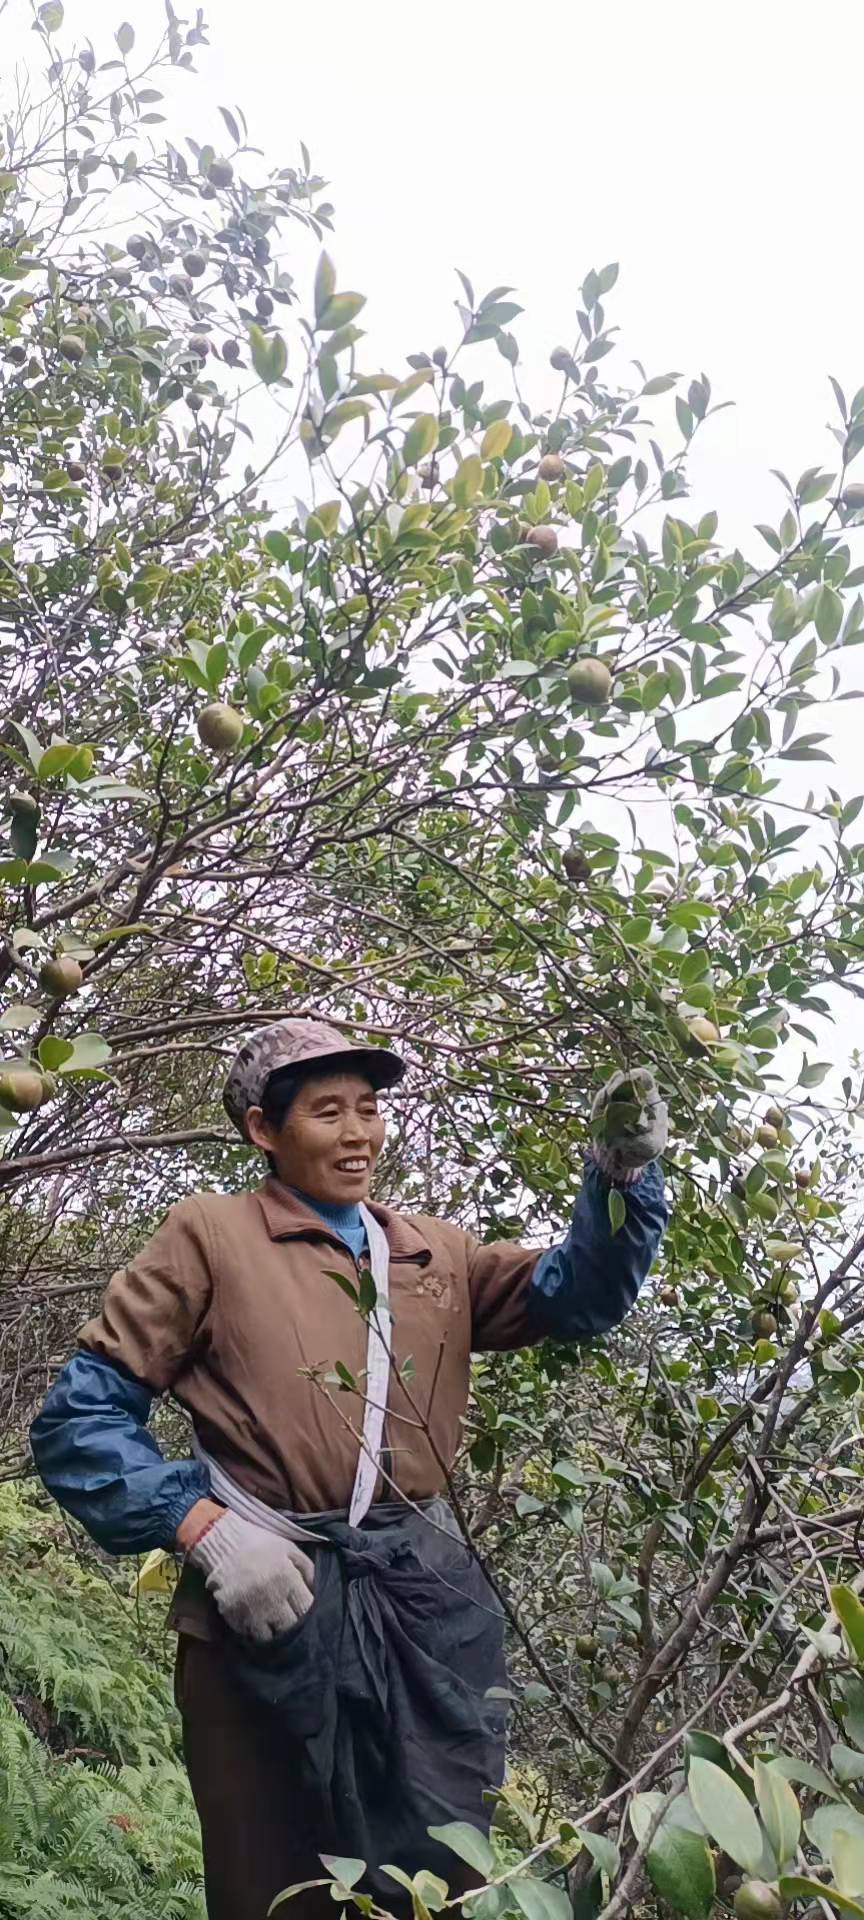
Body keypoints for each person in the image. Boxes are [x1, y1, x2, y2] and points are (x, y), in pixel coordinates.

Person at [31, 1018, 669, 1920]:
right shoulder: (211, 1237)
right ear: (264, 1129)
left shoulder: (431, 1251)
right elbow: (79, 1420)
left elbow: (577, 1294)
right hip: (265, 1605)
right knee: (275, 1880)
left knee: (438, 1872)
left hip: (424, 1612)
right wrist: (206, 1532)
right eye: (328, 1111)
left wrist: (620, 1178)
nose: (360, 1133)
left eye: (369, 1109)